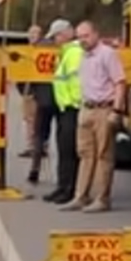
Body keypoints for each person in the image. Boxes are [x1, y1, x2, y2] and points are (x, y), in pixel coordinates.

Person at [61, 20, 127, 213]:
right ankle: (80, 196)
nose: (83, 40)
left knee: (103, 155)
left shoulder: (107, 54)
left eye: (86, 36)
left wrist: (116, 111)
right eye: (80, 37)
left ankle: (102, 199)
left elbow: (120, 83)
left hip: (103, 109)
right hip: (86, 108)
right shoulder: (82, 56)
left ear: (96, 34)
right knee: (85, 155)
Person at [43, 19, 83, 204]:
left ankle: (69, 189)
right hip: (65, 108)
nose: (55, 40)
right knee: (63, 150)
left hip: (73, 108)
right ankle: (62, 186)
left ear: (67, 33)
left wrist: (76, 103)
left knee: (69, 152)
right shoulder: (66, 53)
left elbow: (77, 83)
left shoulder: (74, 53)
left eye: (57, 36)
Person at [20, 24, 56, 184]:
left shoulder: (38, 51)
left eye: (35, 33)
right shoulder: (31, 49)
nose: (32, 36)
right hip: (46, 96)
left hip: (43, 96)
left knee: (39, 133)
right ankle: (35, 165)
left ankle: (35, 169)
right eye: (30, 33)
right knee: (37, 131)